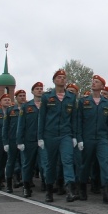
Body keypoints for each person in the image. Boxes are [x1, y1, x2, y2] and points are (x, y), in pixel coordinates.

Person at [37, 69, 79, 203]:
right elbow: (41, 118)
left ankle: (70, 190)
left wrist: (74, 136)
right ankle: (49, 190)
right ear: (54, 80)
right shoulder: (47, 97)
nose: (62, 79)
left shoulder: (71, 97)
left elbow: (74, 118)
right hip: (50, 135)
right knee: (50, 164)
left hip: (65, 134)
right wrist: (40, 137)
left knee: (67, 160)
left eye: (64, 77)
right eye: (59, 77)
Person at [76, 75, 108, 202]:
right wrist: (79, 138)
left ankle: (106, 191)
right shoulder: (84, 101)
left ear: (102, 86)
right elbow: (79, 121)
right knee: (85, 165)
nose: (93, 83)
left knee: (105, 163)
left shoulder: (107, 103)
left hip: (102, 138)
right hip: (87, 138)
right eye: (93, 81)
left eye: (97, 82)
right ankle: (82, 189)